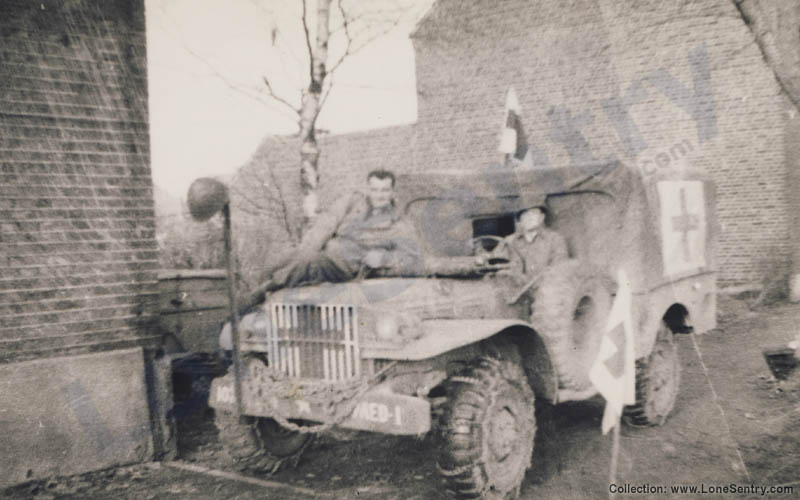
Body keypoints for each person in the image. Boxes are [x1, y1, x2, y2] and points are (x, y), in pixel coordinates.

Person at [274, 169, 423, 287]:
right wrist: (308, 249)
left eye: (384, 190)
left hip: (343, 268)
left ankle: (259, 297)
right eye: (375, 190)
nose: (379, 195)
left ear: (392, 192)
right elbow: (326, 223)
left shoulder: (399, 224)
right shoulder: (352, 202)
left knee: (298, 269)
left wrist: (385, 259)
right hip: (322, 254)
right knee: (279, 263)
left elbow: (414, 261)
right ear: (368, 189)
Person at [481, 204, 568, 282]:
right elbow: (494, 263)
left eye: (533, 213)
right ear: (520, 220)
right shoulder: (509, 241)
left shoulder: (555, 239)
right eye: (525, 214)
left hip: (547, 289)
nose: (529, 218)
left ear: (542, 217)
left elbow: (560, 269)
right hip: (516, 291)